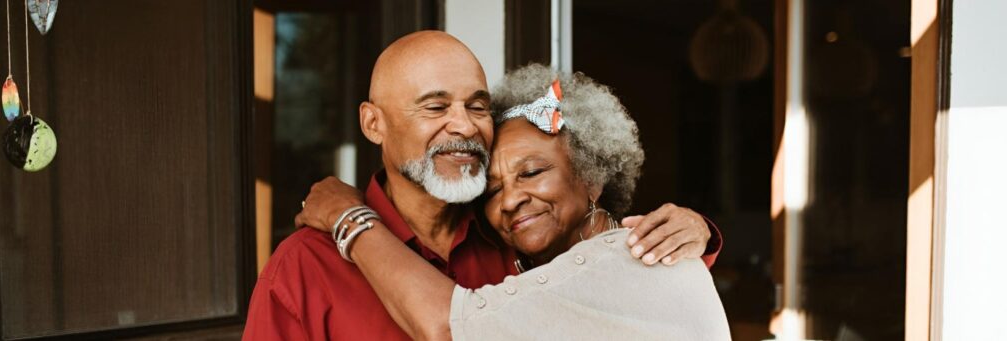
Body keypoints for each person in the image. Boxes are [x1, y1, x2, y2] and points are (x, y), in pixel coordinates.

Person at [243, 31, 722, 340]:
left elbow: (625, 281)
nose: (463, 126)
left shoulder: (520, 240)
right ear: (373, 124)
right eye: (435, 107)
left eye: (476, 106)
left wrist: (696, 232)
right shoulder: (304, 267)